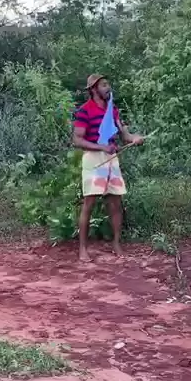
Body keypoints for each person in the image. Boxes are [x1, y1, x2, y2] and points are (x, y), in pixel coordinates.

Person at [72, 74, 144, 261]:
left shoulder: (113, 110)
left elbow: (125, 136)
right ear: (93, 89)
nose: (108, 88)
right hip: (93, 159)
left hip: (111, 159)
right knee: (89, 204)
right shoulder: (85, 110)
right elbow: (77, 140)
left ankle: (116, 244)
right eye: (103, 85)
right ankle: (82, 249)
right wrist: (102, 147)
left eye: (108, 84)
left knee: (115, 203)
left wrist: (135, 139)